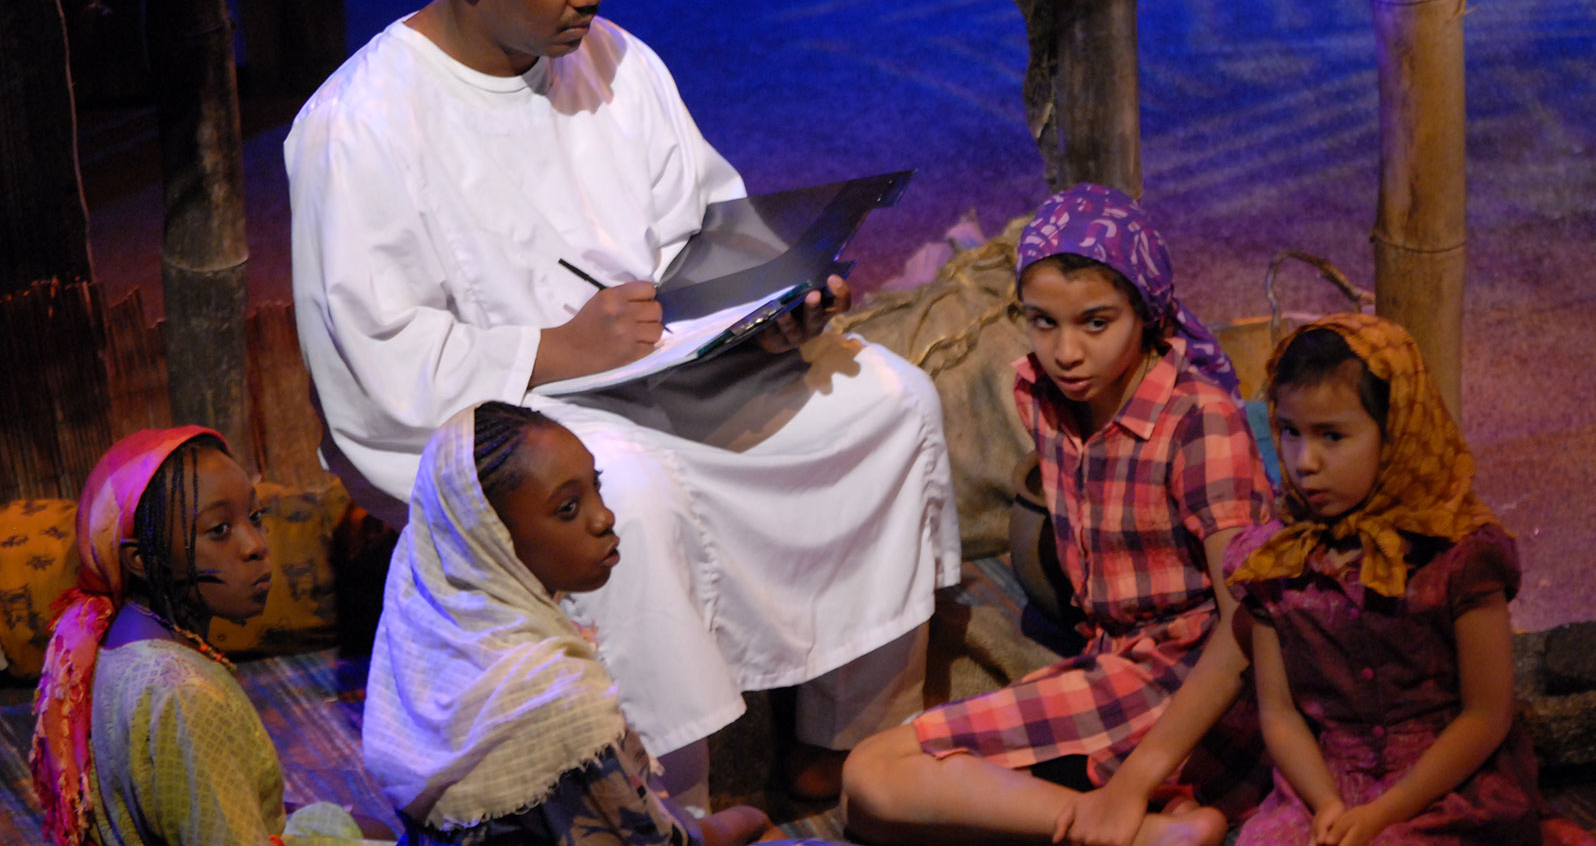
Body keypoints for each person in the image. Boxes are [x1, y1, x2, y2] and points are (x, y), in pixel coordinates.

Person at [285, 0, 958, 804]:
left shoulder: (615, 61)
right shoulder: (357, 122)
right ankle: (665, 802)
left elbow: (696, 230)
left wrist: (773, 300)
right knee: (621, 501)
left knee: (887, 401)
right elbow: (377, 365)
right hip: (489, 417)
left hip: (653, 364)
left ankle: (850, 743)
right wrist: (557, 348)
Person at [841, 184, 1273, 846]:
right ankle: (1154, 830)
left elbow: (1247, 623)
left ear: (1148, 312)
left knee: (876, 776)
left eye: (1096, 322)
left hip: (1197, 688)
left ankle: (1141, 816)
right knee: (874, 800)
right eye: (1043, 321)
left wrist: (1132, 783)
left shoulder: (1199, 424)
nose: (1067, 351)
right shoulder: (1045, 397)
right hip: (1113, 663)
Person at [365, 400, 850, 844]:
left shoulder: (427, 627)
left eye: (596, 486)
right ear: (493, 541)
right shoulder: (555, 696)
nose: (604, 518)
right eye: (568, 509)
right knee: (759, 828)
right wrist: (740, 822)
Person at [1227, 315, 1593, 846]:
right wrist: (1328, 803)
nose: (1305, 462)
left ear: (1395, 430)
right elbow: (1279, 713)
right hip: (1326, 781)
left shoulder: (1457, 552)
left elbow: (1487, 713)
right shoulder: (1276, 559)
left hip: (1445, 780)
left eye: (1333, 435)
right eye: (1290, 432)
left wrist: (1381, 814)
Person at [29, 427, 392, 845]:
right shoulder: (186, 695)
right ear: (141, 560)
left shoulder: (113, 638)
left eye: (255, 519)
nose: (256, 545)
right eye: (219, 530)